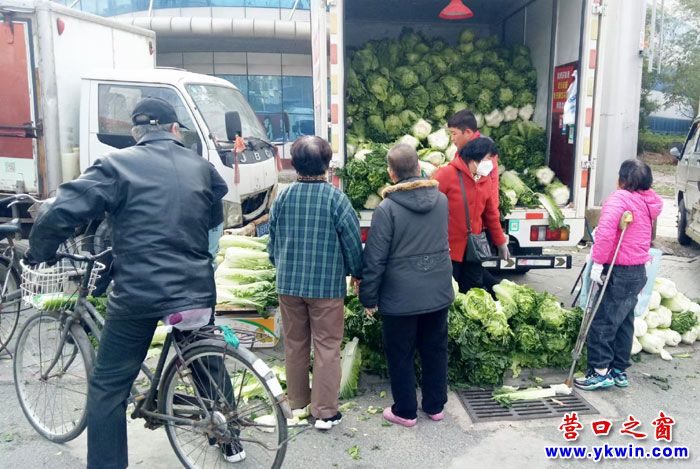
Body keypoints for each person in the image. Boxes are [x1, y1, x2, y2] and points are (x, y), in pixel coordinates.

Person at [24, 97, 232, 467]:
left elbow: (62, 209)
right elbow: (214, 217)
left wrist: (40, 250)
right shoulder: (202, 167)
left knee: (109, 386)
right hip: (195, 287)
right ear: (174, 130)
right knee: (206, 357)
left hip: (140, 291)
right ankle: (231, 438)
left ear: (135, 134)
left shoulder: (116, 165)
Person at [268, 136, 363, 430]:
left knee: (295, 344)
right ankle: (324, 412)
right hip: (326, 287)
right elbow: (352, 244)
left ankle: (298, 403)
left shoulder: (283, 197)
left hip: (289, 284)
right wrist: (357, 272)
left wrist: (281, 264)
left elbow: (272, 243)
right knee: (327, 346)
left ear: (295, 164)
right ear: (326, 164)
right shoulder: (336, 199)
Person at [359, 144, 454, 427]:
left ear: (391, 173)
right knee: (435, 349)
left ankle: (405, 411)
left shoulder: (386, 209)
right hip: (437, 291)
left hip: (400, 298)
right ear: (419, 168)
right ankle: (435, 406)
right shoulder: (441, 201)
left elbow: (375, 258)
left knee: (400, 354)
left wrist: (368, 298)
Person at [575, 159, 663, 391]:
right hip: (638, 270)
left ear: (622, 179)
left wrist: (597, 263)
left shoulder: (619, 199)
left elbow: (605, 234)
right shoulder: (648, 202)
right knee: (624, 321)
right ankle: (618, 370)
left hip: (619, 269)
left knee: (602, 321)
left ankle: (600, 371)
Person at [433, 137, 509, 293]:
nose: (491, 163)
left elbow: (491, 215)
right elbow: (430, 206)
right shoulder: (446, 174)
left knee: (473, 291)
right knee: (448, 292)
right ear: (476, 157)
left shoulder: (485, 180)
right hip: (447, 250)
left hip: (473, 249)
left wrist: (501, 243)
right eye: (488, 158)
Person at [446, 110, 503, 291]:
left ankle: (495, 288)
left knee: (472, 282)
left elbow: (490, 204)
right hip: (452, 243)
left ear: (468, 132)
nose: (452, 139)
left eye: (454, 134)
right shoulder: (449, 171)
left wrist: (500, 241)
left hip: (475, 232)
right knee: (453, 286)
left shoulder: (485, 159)